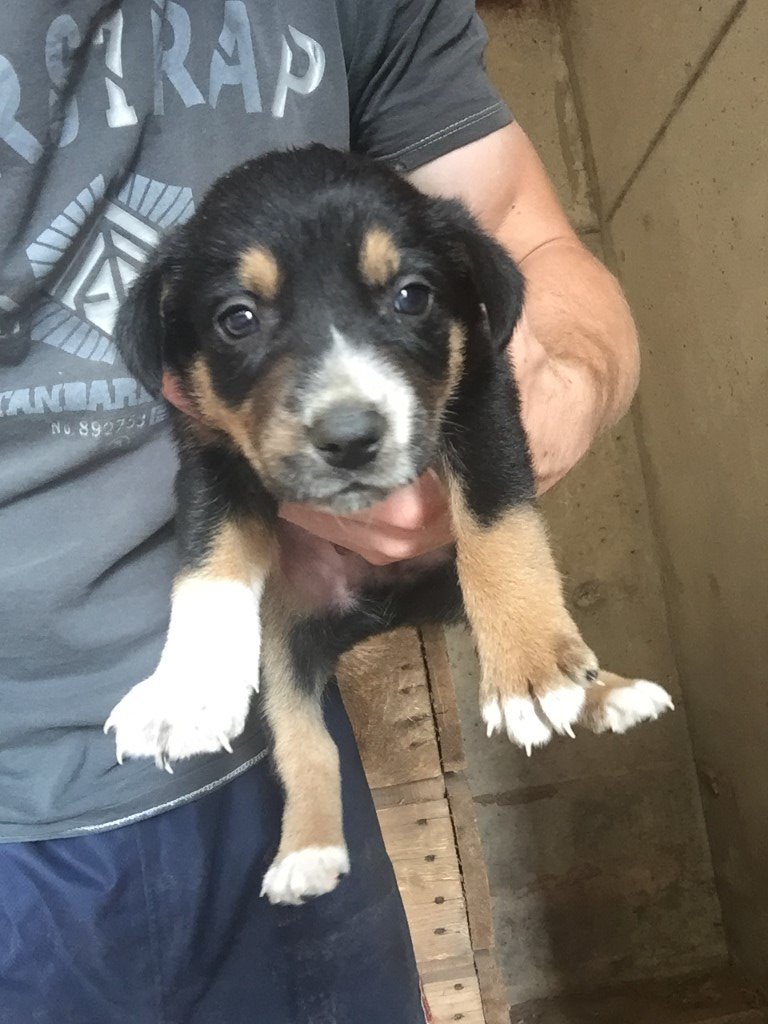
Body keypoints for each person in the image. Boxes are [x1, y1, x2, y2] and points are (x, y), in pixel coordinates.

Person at [0, 2, 638, 1021]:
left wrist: (559, 391)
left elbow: (519, 234)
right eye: (243, 319)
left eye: (408, 298)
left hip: (266, 735)